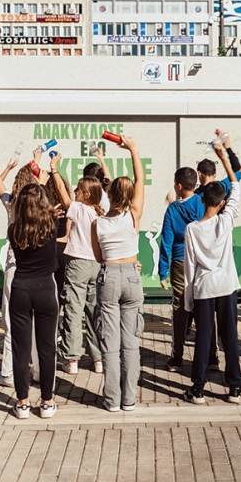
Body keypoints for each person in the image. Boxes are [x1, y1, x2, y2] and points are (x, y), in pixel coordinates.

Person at [158, 132, 241, 371]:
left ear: (179, 186)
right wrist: (231, 158)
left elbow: (166, 242)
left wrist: (162, 271)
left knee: (180, 311)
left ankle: (177, 357)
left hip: (182, 263)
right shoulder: (206, 200)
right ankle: (212, 357)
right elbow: (234, 182)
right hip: (211, 270)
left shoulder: (173, 211)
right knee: (207, 314)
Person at [182, 143, 241, 404]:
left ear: (203, 201)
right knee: (229, 337)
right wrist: (224, 158)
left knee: (203, 339)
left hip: (204, 288)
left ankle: (197, 388)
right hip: (227, 286)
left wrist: (188, 300)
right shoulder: (226, 220)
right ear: (221, 203)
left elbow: (189, 268)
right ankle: (235, 387)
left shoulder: (192, 229)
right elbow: (237, 188)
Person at [91, 134, 146, 412]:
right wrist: (133, 149)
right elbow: (140, 181)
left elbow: (99, 257)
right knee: (131, 344)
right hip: (132, 276)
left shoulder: (97, 223)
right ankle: (129, 399)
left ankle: (111, 400)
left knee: (109, 345)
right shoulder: (134, 214)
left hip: (109, 275)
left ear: (107, 194)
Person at [0, 143, 39, 388]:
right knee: (37, 324)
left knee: (10, 322)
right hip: (38, 270)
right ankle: (38, 371)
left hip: (15, 268)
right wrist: (37, 161)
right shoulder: (41, 207)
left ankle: (7, 373)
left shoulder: (12, 205)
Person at [6, 182, 61, 419]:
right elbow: (50, 212)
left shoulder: (14, 230)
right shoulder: (53, 225)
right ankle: (47, 402)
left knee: (21, 349)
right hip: (46, 288)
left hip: (21, 287)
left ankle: (23, 403)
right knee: (47, 348)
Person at [50, 155, 105, 376]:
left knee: (73, 309)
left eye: (79, 191)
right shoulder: (99, 212)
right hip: (96, 265)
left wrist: (54, 170)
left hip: (77, 264)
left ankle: (71, 358)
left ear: (86, 195)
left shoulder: (80, 209)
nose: (74, 193)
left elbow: (63, 194)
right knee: (94, 311)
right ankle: (98, 357)